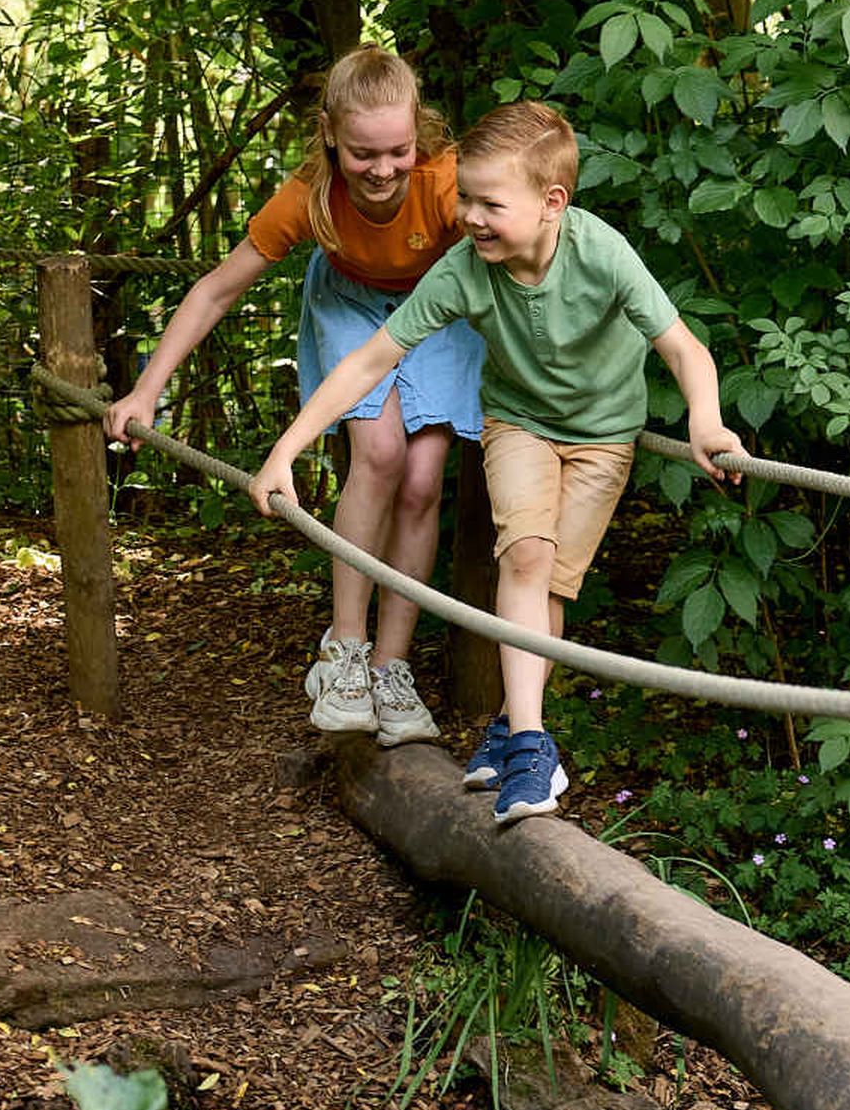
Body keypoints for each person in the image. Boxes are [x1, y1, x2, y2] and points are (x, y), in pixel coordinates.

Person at [249, 100, 740, 824]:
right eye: (466, 199)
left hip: (606, 436)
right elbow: (369, 363)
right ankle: (535, 746)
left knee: (554, 587)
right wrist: (285, 450)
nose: (470, 216)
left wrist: (707, 421)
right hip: (518, 424)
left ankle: (510, 725)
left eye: (489, 203)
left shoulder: (600, 253)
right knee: (526, 557)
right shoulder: (465, 271)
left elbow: (681, 348)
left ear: (552, 204)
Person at [105, 46, 488, 745]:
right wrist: (145, 391)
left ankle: (392, 668)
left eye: (397, 151)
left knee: (424, 478)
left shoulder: (445, 181)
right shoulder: (311, 193)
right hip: (348, 305)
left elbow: (522, 259)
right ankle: (346, 651)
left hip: (436, 307)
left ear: (418, 134)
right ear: (331, 134)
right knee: (377, 453)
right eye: (363, 154)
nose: (382, 171)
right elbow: (217, 289)